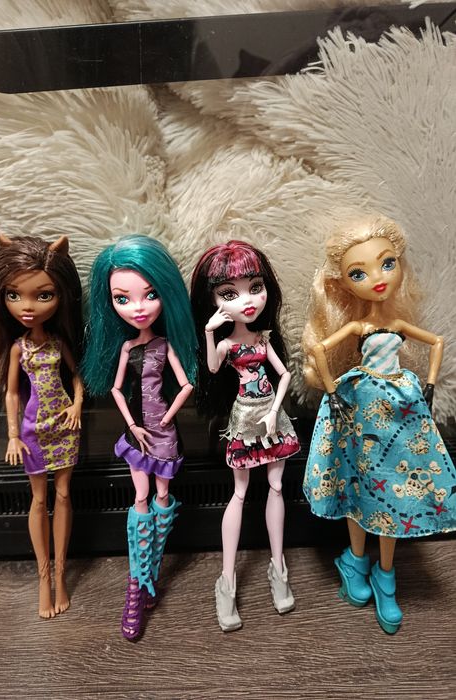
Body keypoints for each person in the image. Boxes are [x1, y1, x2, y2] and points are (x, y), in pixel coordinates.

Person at [302, 214, 456, 634]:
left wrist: (429, 384)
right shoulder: (360, 326)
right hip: (361, 405)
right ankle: (355, 561)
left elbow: (438, 342)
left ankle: (384, 574)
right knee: (357, 484)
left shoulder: (397, 324)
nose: (377, 278)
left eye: (387, 263)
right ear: (344, 283)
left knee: (391, 490)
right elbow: (319, 349)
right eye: (359, 273)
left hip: (398, 408)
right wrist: (332, 389)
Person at [82, 234, 197, 640]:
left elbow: (186, 384)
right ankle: (136, 584)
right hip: (138, 435)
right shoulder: (127, 348)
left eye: (150, 294)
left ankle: (151, 576)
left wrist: (167, 414)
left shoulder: (165, 345)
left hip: (163, 434)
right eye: (123, 298)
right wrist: (132, 424)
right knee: (141, 497)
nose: (139, 308)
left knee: (163, 497)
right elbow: (116, 389)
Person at [191, 240, 299, 632]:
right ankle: (227, 581)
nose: (247, 301)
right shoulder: (226, 343)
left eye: (255, 287)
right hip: (245, 416)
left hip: (271, 414)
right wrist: (208, 332)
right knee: (239, 492)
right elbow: (213, 369)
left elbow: (284, 375)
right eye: (229, 294)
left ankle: (278, 569)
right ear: (214, 300)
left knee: (276, 486)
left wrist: (274, 411)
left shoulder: (263, 339)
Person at [0, 233, 83, 618]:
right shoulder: (18, 348)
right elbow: (11, 394)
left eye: (43, 295)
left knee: (64, 495)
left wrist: (77, 404)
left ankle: (61, 574)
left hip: (64, 425)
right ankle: (44, 579)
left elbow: (76, 377)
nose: (27, 307)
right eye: (14, 295)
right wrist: (11, 434)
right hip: (33, 430)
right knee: (39, 500)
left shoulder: (57, 343)